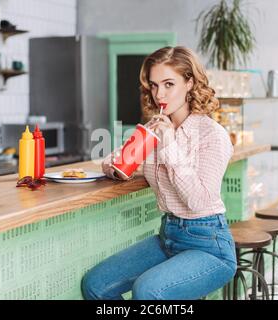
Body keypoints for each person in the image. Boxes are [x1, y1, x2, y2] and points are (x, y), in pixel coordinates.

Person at [81, 46, 236, 300]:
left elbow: (198, 201)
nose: (159, 94)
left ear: (189, 83)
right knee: (96, 285)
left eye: (168, 84)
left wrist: (169, 145)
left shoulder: (212, 135)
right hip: (169, 236)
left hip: (209, 244)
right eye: (154, 85)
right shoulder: (155, 128)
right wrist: (120, 167)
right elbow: (111, 162)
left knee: (148, 291)